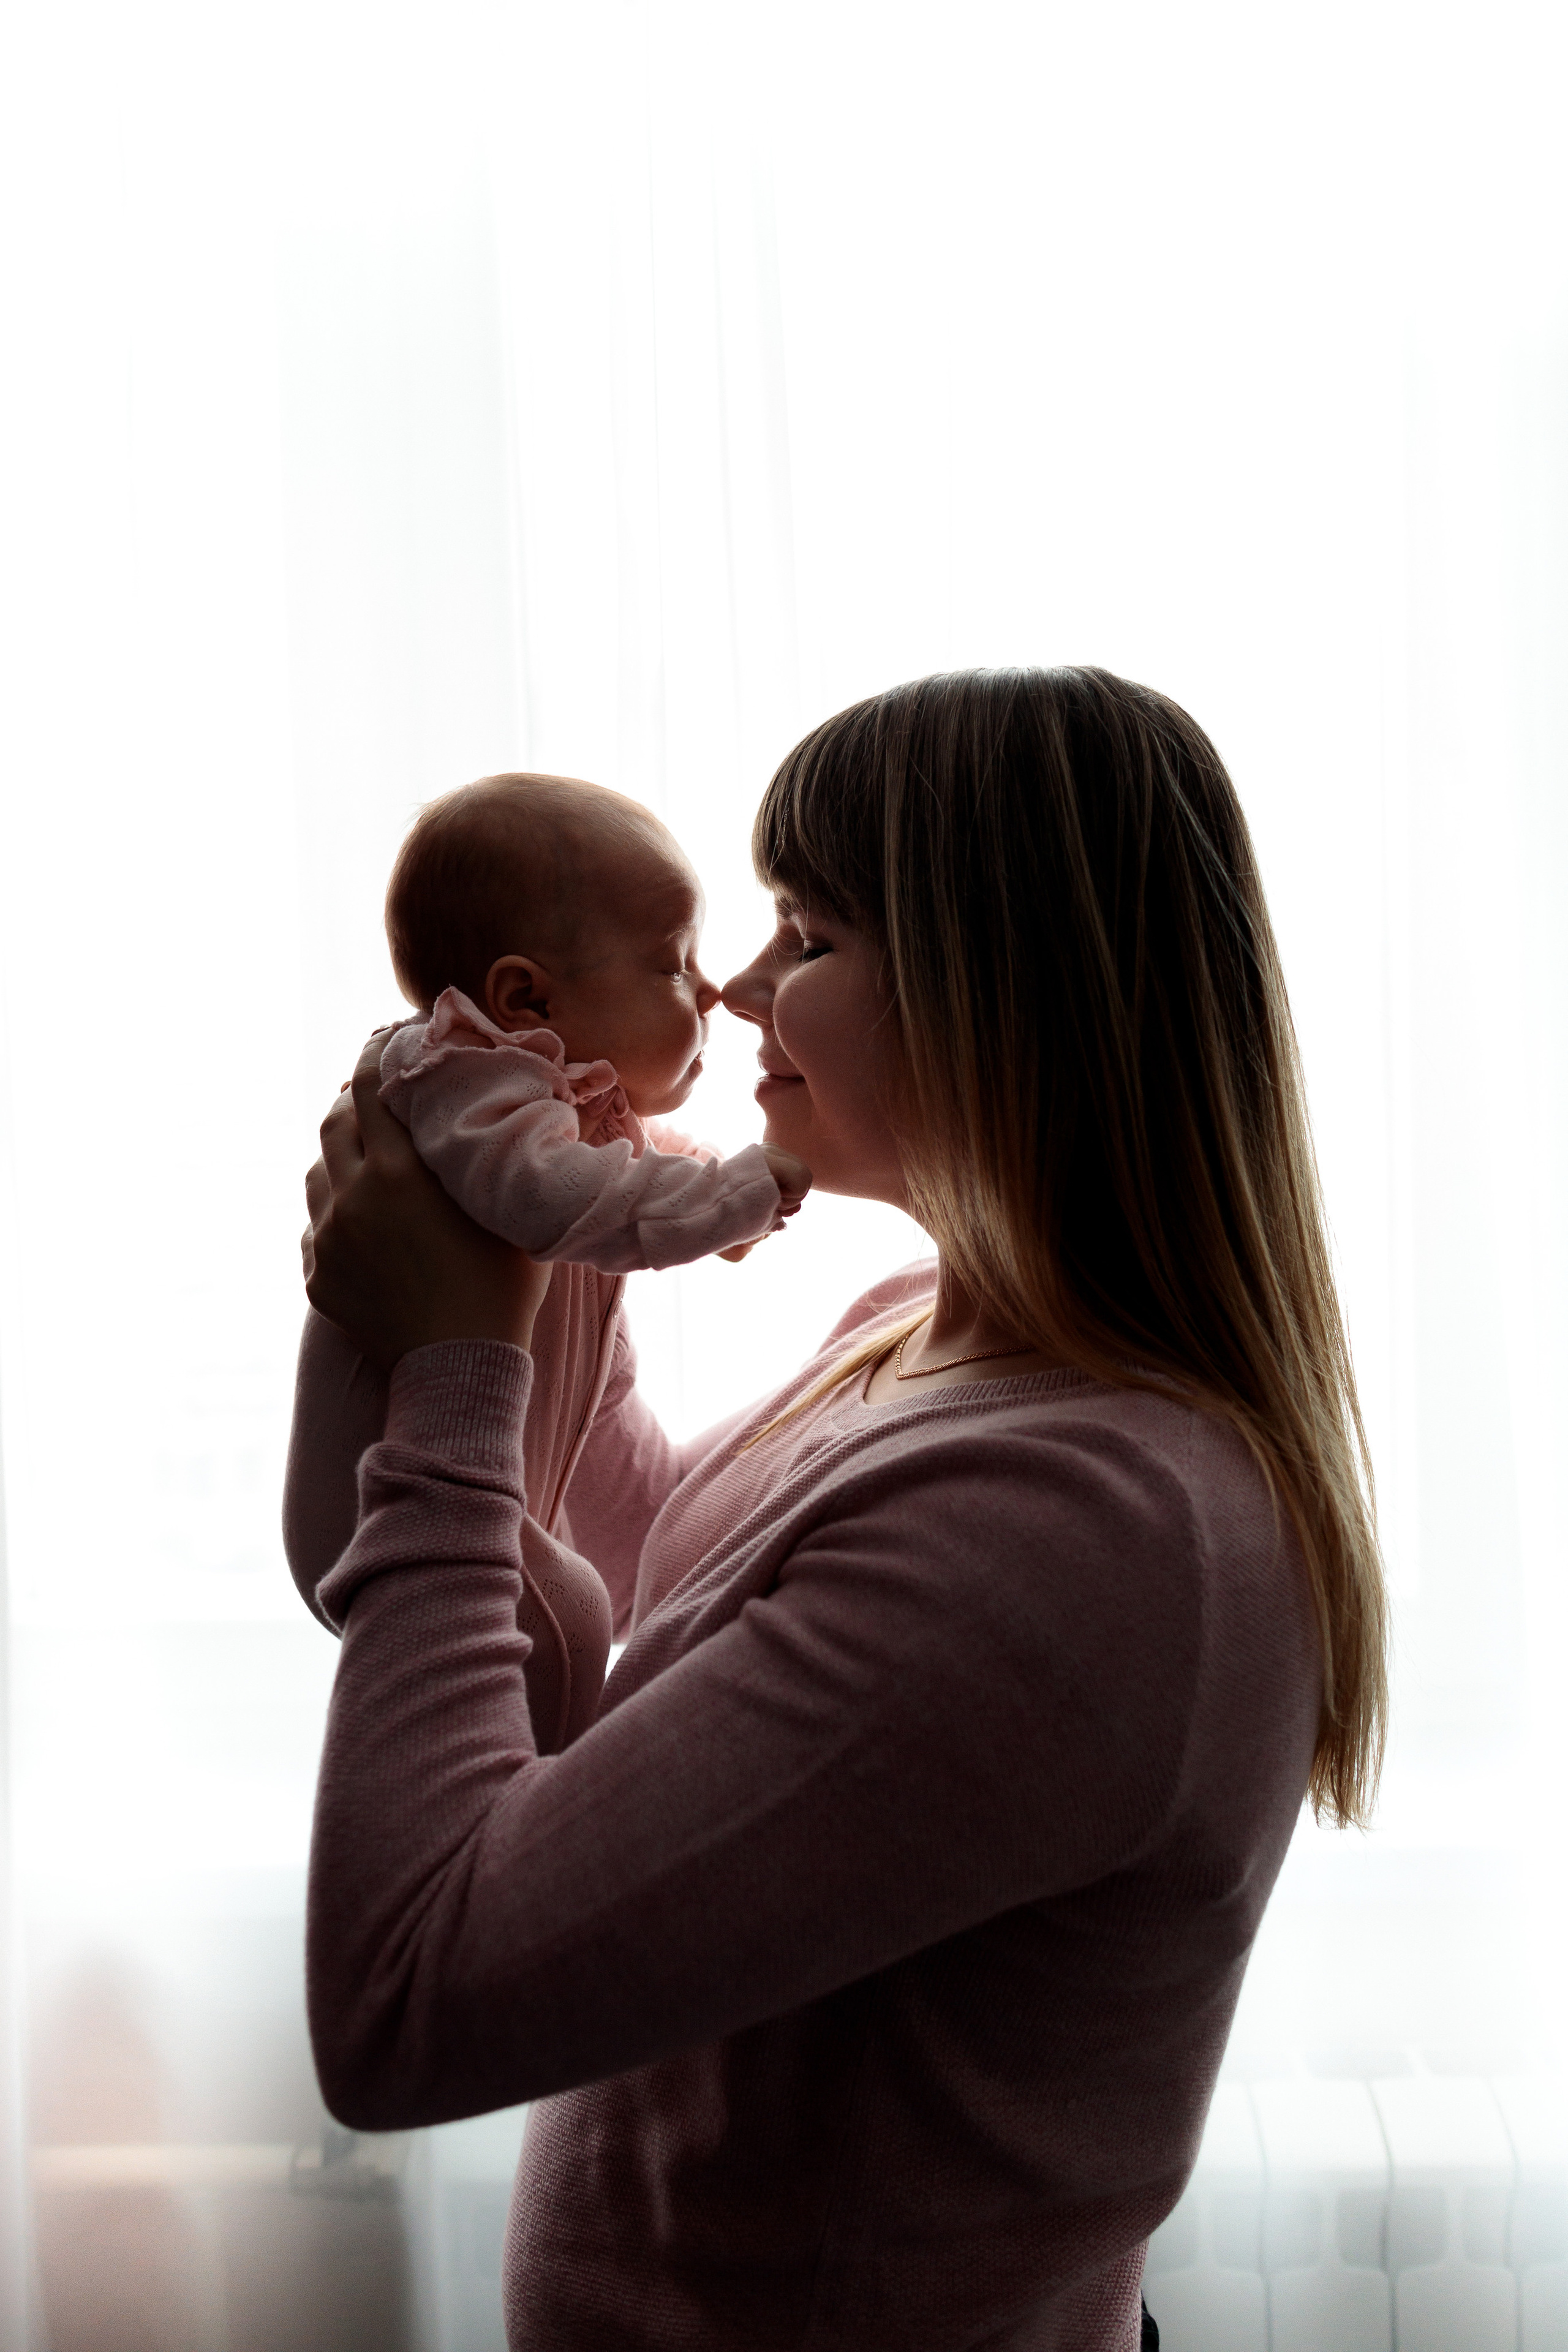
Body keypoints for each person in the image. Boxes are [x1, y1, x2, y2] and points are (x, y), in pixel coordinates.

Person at [293, 665, 1387, 2352]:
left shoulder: (1079, 1531)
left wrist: (450, 1366)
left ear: (1000, 992)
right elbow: (659, 1560)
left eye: (805, 935)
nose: (735, 988)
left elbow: (404, 2001)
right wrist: (540, 1247)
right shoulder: (916, 1331)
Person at [284, 772, 806, 1752]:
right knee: (569, 1617)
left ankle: (543, 1789)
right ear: (524, 998)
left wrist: (711, 1190)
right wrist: (734, 1197)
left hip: (495, 1481)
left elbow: (632, 1158)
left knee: (573, 1606)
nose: (714, 992)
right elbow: (563, 1197)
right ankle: (545, 1798)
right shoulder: (462, 1080)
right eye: (673, 964)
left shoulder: (542, 1096)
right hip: (384, 1502)